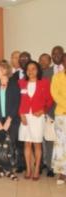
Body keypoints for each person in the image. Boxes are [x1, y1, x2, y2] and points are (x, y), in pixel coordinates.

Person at [18, 61, 53, 180]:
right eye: (28, 69)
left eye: (33, 68)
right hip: (25, 117)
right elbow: (19, 100)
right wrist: (21, 114)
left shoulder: (44, 83)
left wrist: (43, 110)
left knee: (37, 144)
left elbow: (49, 100)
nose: (30, 71)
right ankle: (28, 169)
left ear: (38, 70)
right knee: (27, 143)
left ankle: (37, 169)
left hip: (38, 117)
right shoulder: (21, 82)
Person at [0, 60, 20, 181]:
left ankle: (9, 171)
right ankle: (1, 169)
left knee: (10, 145)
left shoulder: (13, 84)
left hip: (11, 120)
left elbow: (16, 104)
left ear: (5, 71)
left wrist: (8, 121)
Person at [42, 46, 65, 177]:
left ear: (62, 55)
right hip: (51, 111)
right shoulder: (46, 72)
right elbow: (47, 93)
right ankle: (51, 167)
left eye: (59, 53)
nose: (56, 55)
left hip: (63, 112)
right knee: (50, 140)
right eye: (54, 54)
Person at [11, 51, 32, 174]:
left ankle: (36, 166)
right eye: (17, 58)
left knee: (32, 139)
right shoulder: (13, 75)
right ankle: (21, 164)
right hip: (17, 112)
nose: (20, 60)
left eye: (21, 58)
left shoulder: (32, 73)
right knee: (19, 140)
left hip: (30, 112)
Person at [51, 53, 66, 185]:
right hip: (61, 114)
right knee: (61, 144)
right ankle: (62, 173)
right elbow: (55, 94)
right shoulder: (57, 77)